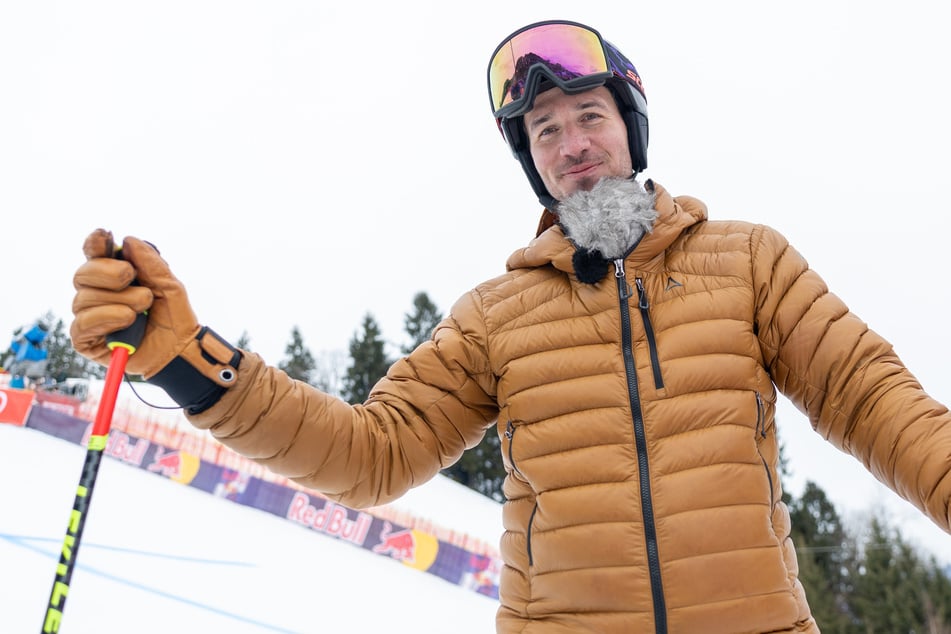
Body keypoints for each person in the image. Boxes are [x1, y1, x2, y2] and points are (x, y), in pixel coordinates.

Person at [69, 19, 950, 634]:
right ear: (534, 164)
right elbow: (369, 455)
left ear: (630, 131)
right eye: (544, 131)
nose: (571, 143)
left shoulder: (748, 260)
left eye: (589, 117)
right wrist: (190, 364)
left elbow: (871, 399)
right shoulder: (496, 317)